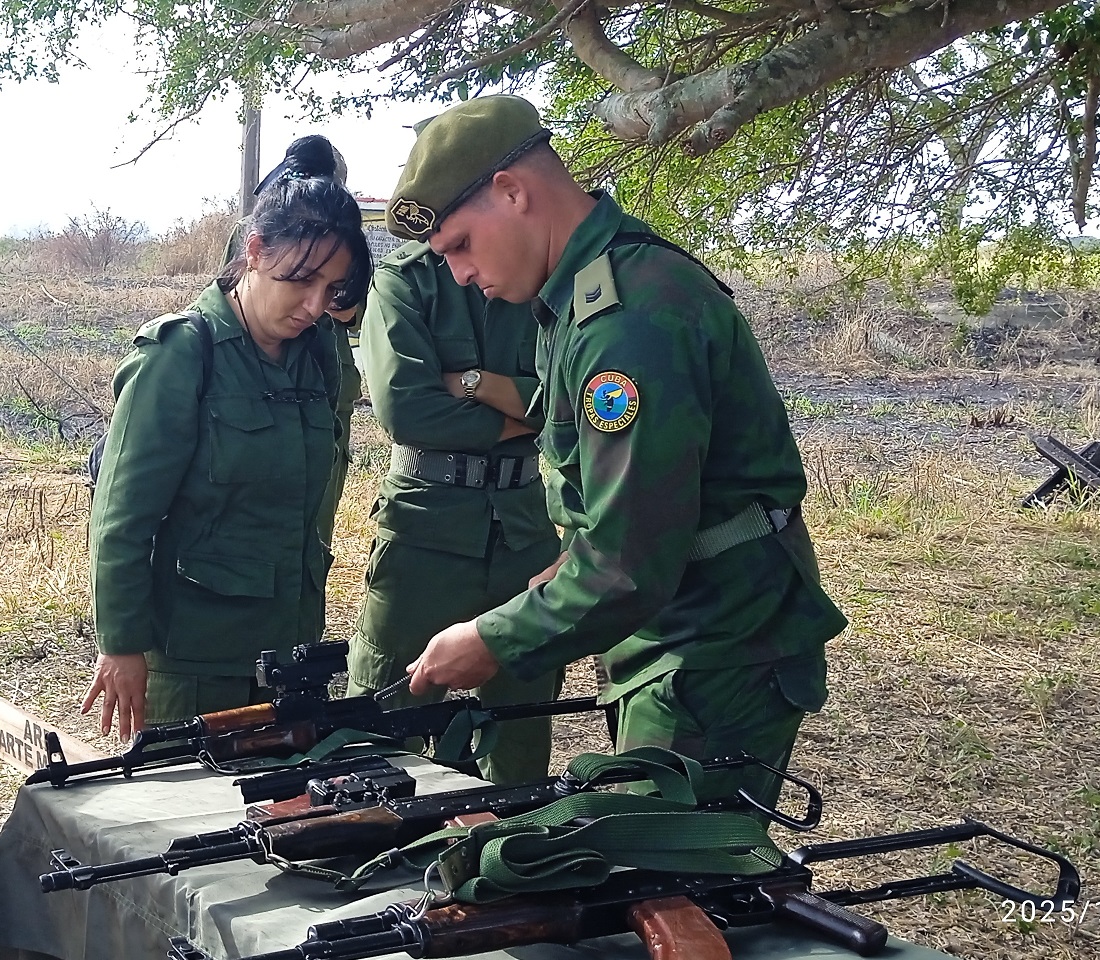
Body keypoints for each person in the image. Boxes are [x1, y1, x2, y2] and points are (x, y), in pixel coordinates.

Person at [393, 96, 847, 804]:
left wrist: (492, 640)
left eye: (459, 245)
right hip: (681, 633)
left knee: (669, 878)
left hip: (716, 646)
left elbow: (626, 565)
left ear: (513, 193)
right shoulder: (574, 300)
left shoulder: (623, 322)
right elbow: (607, 520)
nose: (457, 274)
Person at [82, 144, 371, 739]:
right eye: (302, 280)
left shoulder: (319, 355)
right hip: (192, 661)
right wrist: (122, 644)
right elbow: (122, 517)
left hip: (290, 653)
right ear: (256, 252)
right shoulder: (181, 353)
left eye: (333, 288)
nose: (316, 305)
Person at [346, 236, 562, 785]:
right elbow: (407, 410)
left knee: (521, 728)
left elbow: (571, 399)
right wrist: (519, 414)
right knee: (380, 720)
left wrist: (471, 384)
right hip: (423, 530)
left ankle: (509, 858)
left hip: (524, 530)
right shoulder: (405, 281)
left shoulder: (543, 273)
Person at [225, 135, 364, 547]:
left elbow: (352, 310)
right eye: (301, 278)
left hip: (319, 386)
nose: (314, 301)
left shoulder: (343, 235)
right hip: (251, 381)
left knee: (310, 533)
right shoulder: (261, 229)